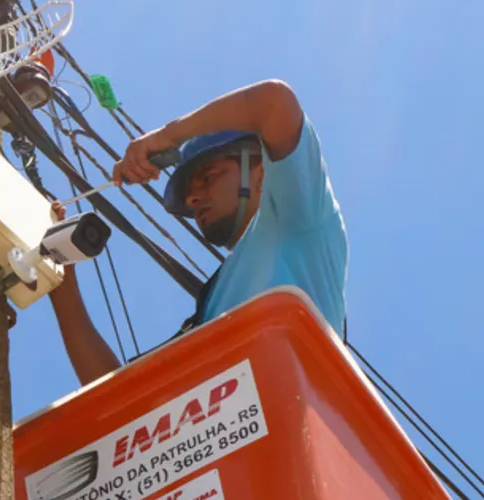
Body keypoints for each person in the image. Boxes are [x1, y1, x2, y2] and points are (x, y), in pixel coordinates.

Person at [47, 79, 349, 386]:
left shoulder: (298, 220)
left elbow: (274, 102)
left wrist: (168, 136)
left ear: (261, 173)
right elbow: (114, 396)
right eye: (189, 195)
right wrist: (60, 280)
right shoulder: (215, 306)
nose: (192, 200)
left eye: (208, 176)